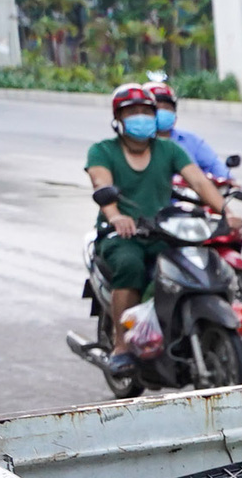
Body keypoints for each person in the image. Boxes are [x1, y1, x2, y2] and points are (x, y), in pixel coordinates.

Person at [87, 82, 232, 368]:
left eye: (146, 111)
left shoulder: (168, 149)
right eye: (132, 112)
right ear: (118, 119)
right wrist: (116, 215)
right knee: (131, 266)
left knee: (195, 263)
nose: (140, 117)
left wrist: (226, 211)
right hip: (121, 235)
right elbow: (101, 183)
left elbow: (200, 181)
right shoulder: (102, 151)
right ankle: (121, 346)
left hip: (162, 230)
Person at [148, 80, 230, 184]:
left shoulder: (191, 140)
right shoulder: (138, 144)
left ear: (174, 114)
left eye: (167, 108)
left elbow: (214, 165)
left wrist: (226, 180)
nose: (162, 112)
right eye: (156, 108)